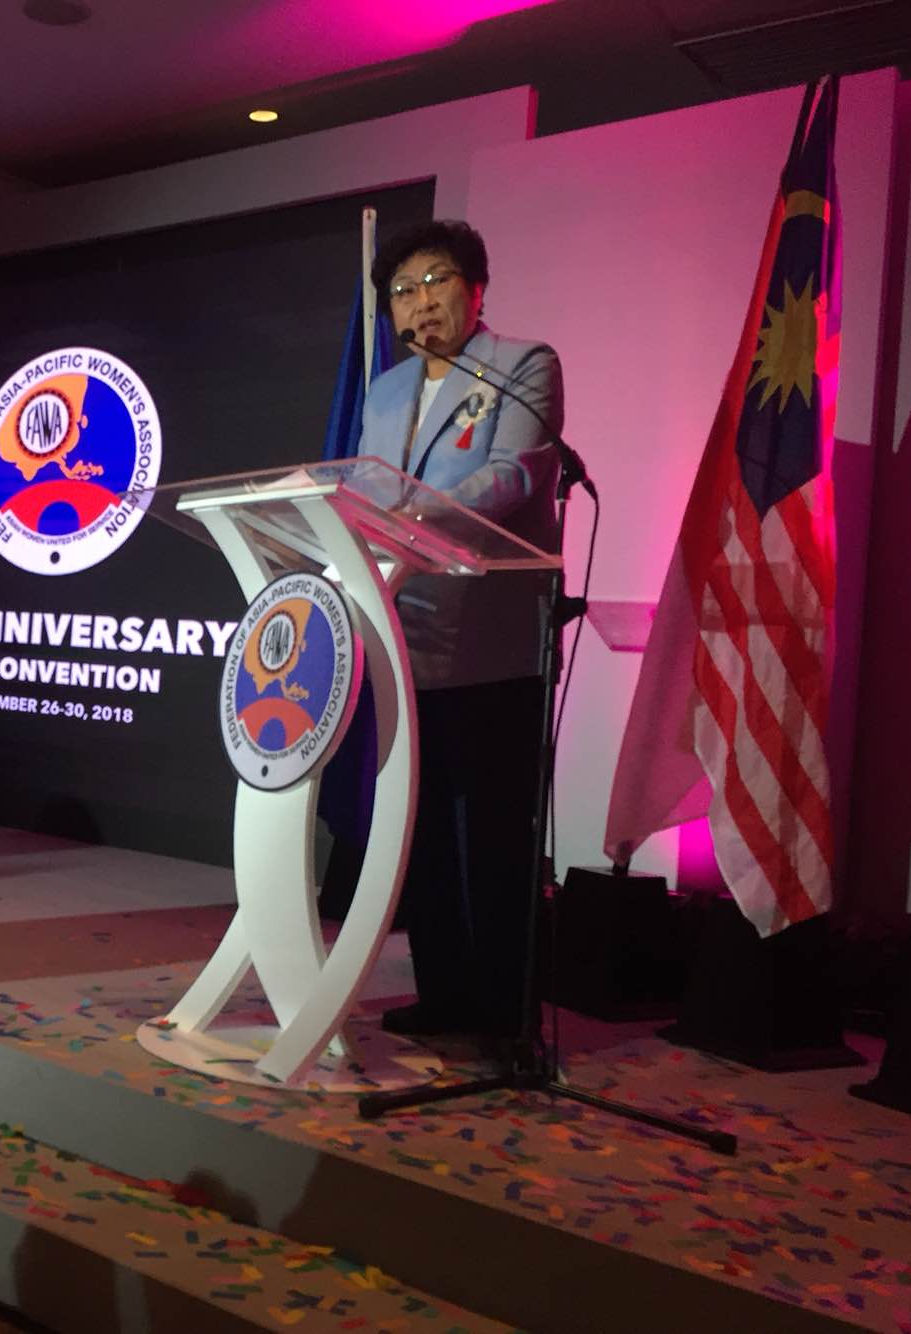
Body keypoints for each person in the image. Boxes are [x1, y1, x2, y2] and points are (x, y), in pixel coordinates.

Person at [355, 219, 564, 1043]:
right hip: (404, 631)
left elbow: (513, 474)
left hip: (490, 637)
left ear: (476, 289)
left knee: (498, 836)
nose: (419, 302)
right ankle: (444, 995)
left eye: (435, 280)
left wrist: (409, 519)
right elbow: (362, 487)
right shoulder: (384, 391)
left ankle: (508, 1018)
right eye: (402, 291)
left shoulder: (522, 365)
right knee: (425, 832)